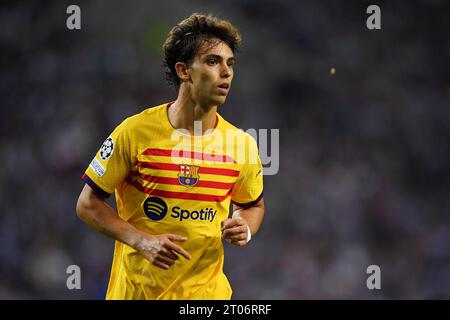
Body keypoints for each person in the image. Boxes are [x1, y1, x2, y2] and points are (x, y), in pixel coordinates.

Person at [76, 12, 265, 300]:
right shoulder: (135, 131)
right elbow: (87, 204)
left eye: (230, 63)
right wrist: (141, 240)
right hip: (136, 294)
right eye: (213, 61)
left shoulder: (242, 144)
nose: (226, 72)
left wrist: (246, 228)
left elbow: (253, 206)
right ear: (183, 70)